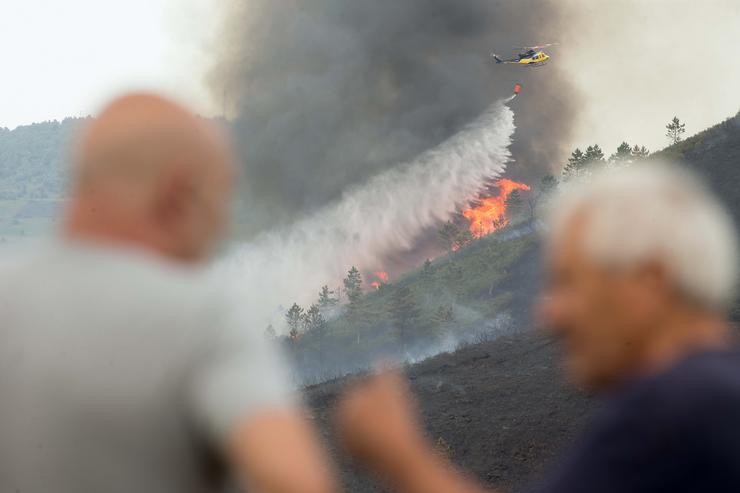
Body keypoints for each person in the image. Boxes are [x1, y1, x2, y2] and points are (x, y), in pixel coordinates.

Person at [0, 93, 336, 493]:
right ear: (178, 191)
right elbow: (293, 482)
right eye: (218, 200)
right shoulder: (201, 316)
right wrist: (401, 457)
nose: (219, 225)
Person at [335, 163, 740, 492]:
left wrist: (401, 456)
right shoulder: (712, 394)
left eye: (567, 283)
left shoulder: (674, 408)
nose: (548, 314)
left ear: (651, 281)